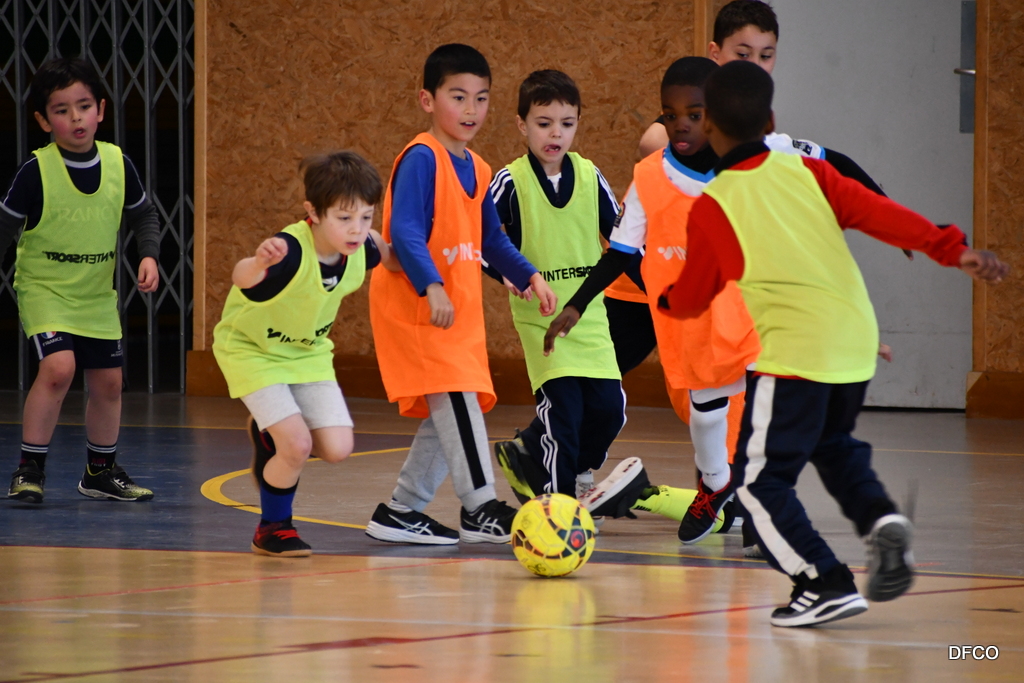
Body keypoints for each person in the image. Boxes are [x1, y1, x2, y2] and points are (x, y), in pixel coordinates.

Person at [659, 61, 1009, 627]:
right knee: (833, 445)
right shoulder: (806, 171)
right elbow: (880, 213)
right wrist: (952, 249)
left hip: (796, 355)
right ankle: (881, 522)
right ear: (770, 121)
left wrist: (668, 299)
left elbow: (695, 296)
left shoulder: (715, 204)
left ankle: (822, 581)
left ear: (711, 129)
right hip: (853, 341)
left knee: (757, 486)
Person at [545, 57, 752, 539]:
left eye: (694, 114)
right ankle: (710, 488)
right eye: (669, 114)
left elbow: (826, 173)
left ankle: (760, 515)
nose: (680, 125)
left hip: (746, 314)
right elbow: (619, 252)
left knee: (764, 413)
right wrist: (577, 303)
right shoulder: (651, 176)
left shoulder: (752, 165)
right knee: (704, 414)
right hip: (681, 316)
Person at [365, 44, 558, 546]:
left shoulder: (479, 167)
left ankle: (401, 509)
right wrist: (431, 286)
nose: (472, 109)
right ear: (427, 100)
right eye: (458, 97)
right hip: (420, 307)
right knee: (455, 398)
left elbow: (491, 239)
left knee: (451, 409)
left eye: (482, 98)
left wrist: (529, 275)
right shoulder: (421, 158)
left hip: (457, 313)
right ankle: (480, 505)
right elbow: (405, 231)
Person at [213, 151, 399, 557]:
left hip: (307, 353)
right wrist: (259, 261)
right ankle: (273, 528)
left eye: (366, 216)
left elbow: (393, 257)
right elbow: (242, 276)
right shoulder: (289, 251)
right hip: (253, 351)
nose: (357, 228)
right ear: (313, 213)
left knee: (337, 448)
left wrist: (434, 278)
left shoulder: (364, 246)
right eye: (344, 217)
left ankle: (269, 430)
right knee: (296, 446)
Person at [486, 70, 651, 519]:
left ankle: (572, 471)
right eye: (543, 123)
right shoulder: (510, 181)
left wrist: (658, 291)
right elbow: (481, 240)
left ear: (578, 124)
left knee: (610, 411)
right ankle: (557, 510)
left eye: (566, 123)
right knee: (564, 417)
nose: (555, 133)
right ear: (522, 125)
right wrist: (507, 274)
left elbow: (623, 243)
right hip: (542, 323)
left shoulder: (590, 175)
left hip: (590, 318)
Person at [2, 57, 159, 504]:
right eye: (61, 109)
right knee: (59, 368)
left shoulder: (117, 163)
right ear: (43, 120)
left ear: (101, 110)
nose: (76, 117)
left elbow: (144, 215)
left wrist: (148, 255)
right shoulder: (35, 171)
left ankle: (100, 472)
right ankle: (29, 469)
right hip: (45, 288)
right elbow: (5, 225)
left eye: (84, 106)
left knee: (109, 382)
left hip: (94, 294)